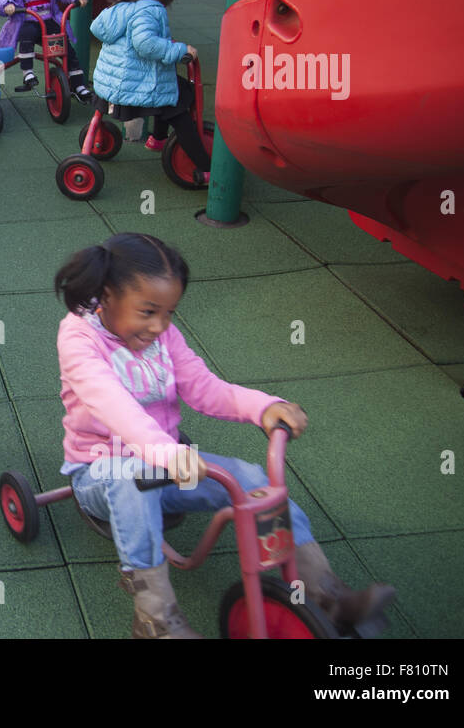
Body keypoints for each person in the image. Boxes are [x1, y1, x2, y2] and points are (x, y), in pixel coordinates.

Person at [54, 232, 397, 638]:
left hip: (164, 463)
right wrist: (168, 453)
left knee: (252, 478)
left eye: (169, 312)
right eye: (148, 311)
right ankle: (154, 616)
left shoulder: (163, 336)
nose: (160, 325)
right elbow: (114, 407)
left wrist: (263, 406)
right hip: (100, 472)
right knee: (132, 479)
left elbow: (206, 388)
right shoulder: (79, 339)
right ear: (107, 295)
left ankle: (323, 594)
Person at [89, 0, 211, 182]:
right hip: (134, 91)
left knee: (175, 89)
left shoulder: (121, 7)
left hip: (111, 85)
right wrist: (179, 51)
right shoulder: (152, 9)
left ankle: (158, 138)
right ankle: (206, 167)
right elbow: (145, 44)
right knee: (178, 104)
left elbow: (98, 28)